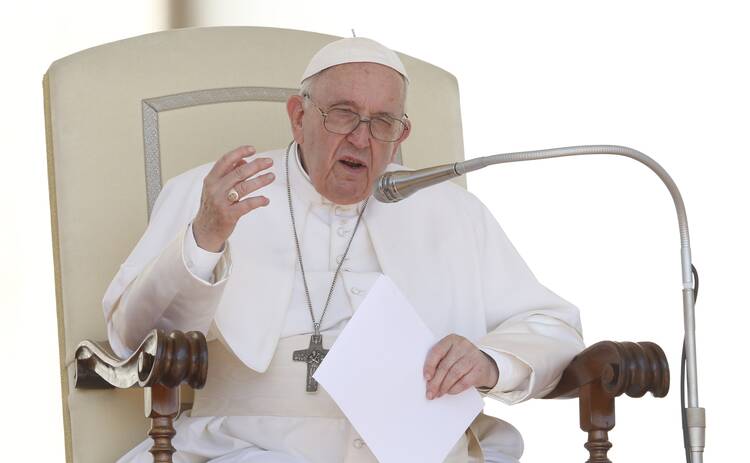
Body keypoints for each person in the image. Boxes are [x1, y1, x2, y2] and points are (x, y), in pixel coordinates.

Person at [104, 37, 584, 463]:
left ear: (401, 136)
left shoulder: (455, 213)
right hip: (253, 445)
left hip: (421, 450)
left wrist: (489, 359)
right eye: (343, 114)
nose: (361, 137)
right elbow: (132, 337)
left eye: (382, 122)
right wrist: (205, 237)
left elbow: (553, 327)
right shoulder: (212, 193)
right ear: (298, 116)